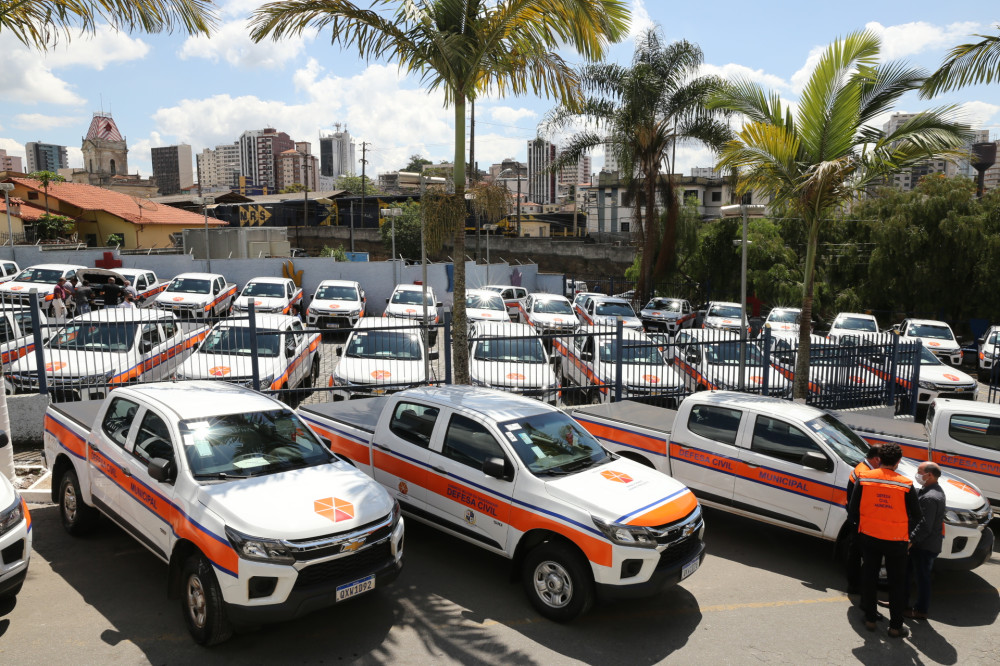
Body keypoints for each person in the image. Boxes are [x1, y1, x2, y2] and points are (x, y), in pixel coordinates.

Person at [848, 442, 923, 638]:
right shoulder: (906, 484)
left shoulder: (864, 478)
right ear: (898, 462)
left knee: (869, 578)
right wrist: (907, 535)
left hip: (870, 537)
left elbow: (853, 510)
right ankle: (895, 627)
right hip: (897, 541)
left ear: (879, 459)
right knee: (896, 583)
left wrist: (861, 530)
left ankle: (871, 619)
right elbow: (917, 515)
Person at [905, 462, 945, 620]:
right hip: (922, 544)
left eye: (919, 472)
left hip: (924, 546)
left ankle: (921, 610)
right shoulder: (929, 490)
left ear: (929, 475)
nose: (917, 474)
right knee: (907, 573)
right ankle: (901, 602)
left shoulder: (930, 497)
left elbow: (925, 526)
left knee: (922, 578)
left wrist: (911, 540)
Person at [846, 445, 882, 594]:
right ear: (876, 459)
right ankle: (855, 584)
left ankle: (854, 583)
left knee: (856, 552)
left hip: (857, 517)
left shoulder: (863, 468)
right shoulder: (864, 473)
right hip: (860, 519)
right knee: (857, 553)